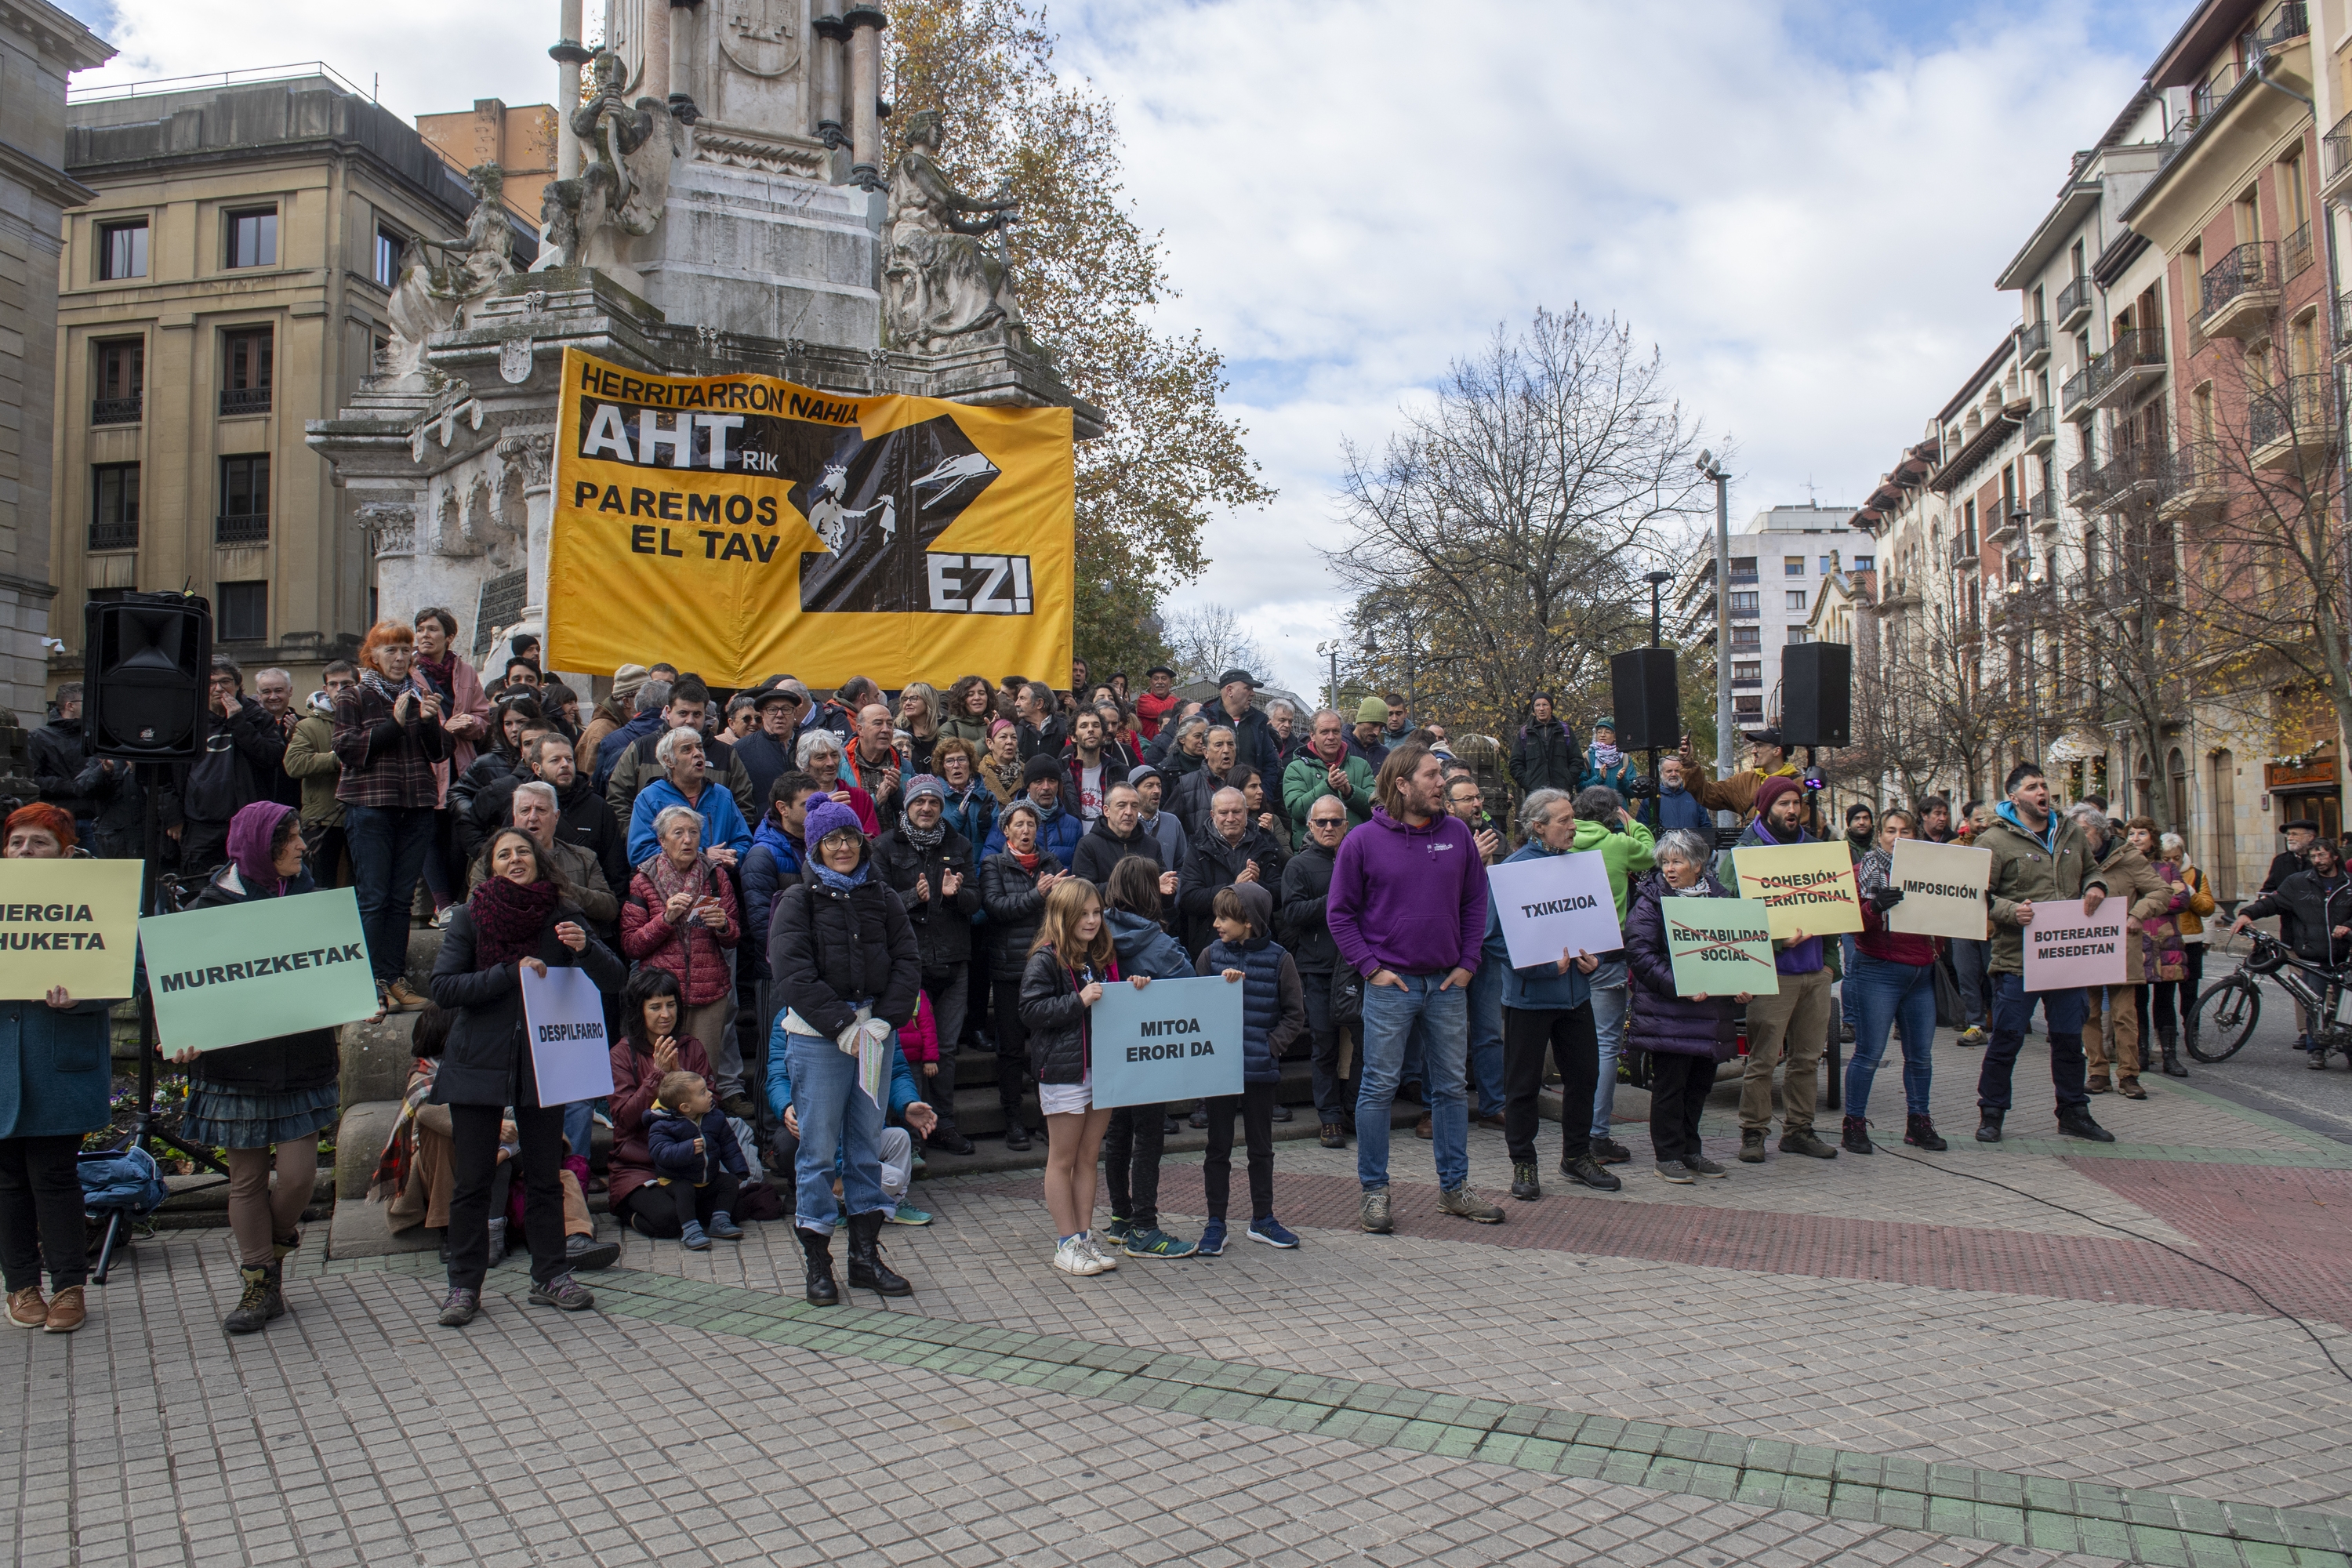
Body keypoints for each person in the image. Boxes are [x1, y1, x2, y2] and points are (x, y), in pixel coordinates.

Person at [429, 827, 627, 1326]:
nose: (516, 859)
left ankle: (551, 1275)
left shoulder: (561, 913)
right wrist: (507, 974)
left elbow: (615, 979)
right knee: (473, 1180)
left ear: (540, 861)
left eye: (524, 852)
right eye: (504, 854)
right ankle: (464, 1286)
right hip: (480, 1062)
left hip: (546, 1063)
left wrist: (586, 949)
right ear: (490, 866)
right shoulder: (473, 914)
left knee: (545, 1175)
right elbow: (444, 987)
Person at [1329, 741, 1501, 1231]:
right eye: (1431, 776)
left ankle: (1455, 1189)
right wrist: (1370, 968)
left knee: (1450, 1089)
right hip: (1391, 986)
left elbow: (1474, 903)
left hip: (1448, 984)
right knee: (1377, 1089)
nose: (1441, 783)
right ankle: (1375, 1192)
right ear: (1401, 784)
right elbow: (1340, 915)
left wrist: (1469, 962)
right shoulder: (1361, 840)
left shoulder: (1459, 836)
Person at [770, 798, 923, 1301]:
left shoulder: (883, 896)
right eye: (831, 840)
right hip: (819, 1041)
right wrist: (841, 1025)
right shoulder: (796, 901)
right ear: (815, 846)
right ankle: (818, 1261)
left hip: (874, 1036)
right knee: (816, 1154)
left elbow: (906, 960)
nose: (842, 847)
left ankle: (864, 1257)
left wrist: (883, 1019)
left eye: (850, 838)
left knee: (865, 1148)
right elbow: (794, 973)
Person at [0, 806, 114, 1333]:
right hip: (4, 1065)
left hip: (56, 1063)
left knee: (54, 1176)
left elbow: (127, 973)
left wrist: (81, 999)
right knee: (7, 1182)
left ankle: (69, 1286)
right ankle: (20, 1286)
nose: (26, 852)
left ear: (66, 853)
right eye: (17, 842)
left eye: (39, 843)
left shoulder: (97, 900)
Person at [1973, 763, 2116, 1145]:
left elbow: (2091, 870)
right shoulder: (1993, 841)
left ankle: (2073, 1112)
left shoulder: (2070, 831)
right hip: (2017, 959)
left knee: (2070, 1039)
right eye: (2033, 787)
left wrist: (2096, 886)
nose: (2042, 792)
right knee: (2007, 1038)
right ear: (2014, 797)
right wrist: (2009, 912)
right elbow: (1976, 896)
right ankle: (1992, 1112)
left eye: (2044, 786)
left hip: (2064, 959)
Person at [1488, 789, 1609, 1200]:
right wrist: (1539, 967)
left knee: (1584, 1078)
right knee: (1522, 1086)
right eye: (1564, 820)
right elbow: (1492, 939)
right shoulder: (1512, 871)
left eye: (1572, 818)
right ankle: (1523, 1163)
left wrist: (1598, 960)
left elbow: (1594, 929)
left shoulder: (1582, 867)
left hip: (1577, 996)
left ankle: (1576, 1156)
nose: (1573, 826)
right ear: (1537, 826)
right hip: (1529, 999)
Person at [334, 621, 456, 1014]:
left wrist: (428, 722)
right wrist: (394, 724)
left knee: (402, 899)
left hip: (416, 804)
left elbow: (439, 754)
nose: (401, 658)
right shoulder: (355, 695)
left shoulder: (421, 694)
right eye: (392, 650)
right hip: (370, 805)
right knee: (374, 897)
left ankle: (393, 977)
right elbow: (347, 750)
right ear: (374, 656)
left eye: (406, 650)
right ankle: (369, 983)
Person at [1719, 776, 1838, 1163]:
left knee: (1806, 1058)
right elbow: (1731, 920)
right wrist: (1774, 943)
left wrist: (1830, 966)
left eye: (1797, 803)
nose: (1792, 810)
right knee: (1764, 1060)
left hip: (1814, 972)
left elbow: (1835, 908)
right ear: (1766, 807)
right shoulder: (1743, 854)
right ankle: (1753, 1132)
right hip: (1771, 974)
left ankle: (1799, 1130)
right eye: (1783, 803)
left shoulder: (1818, 851)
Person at [1018, 877, 1126, 1275]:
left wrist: (1132, 989)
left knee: (1087, 1157)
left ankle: (1084, 1237)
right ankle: (1066, 1242)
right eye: (1083, 914)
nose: (1093, 920)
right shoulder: (1044, 959)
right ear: (1063, 915)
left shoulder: (1099, 956)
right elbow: (1030, 1011)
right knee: (1062, 1159)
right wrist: (1078, 1001)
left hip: (1104, 1068)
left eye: (1097, 912)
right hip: (1064, 1071)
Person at [1192, 883, 1305, 1254]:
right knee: (1217, 1148)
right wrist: (1218, 990)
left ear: (1249, 921)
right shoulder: (1210, 956)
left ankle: (1263, 1219)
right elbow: (1197, 1010)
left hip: (1259, 1069)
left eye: (1224, 917)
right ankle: (1215, 1223)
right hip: (1219, 1069)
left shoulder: (1280, 959)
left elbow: (1294, 1014)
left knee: (1261, 1147)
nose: (1216, 924)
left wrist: (1270, 1047)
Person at [1623, 827, 1740, 1182]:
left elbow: (1738, 946)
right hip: (1669, 1011)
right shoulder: (1651, 900)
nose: (1670, 869)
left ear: (1699, 864)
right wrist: (1681, 985)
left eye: (1678, 861)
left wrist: (1743, 984)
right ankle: (1668, 1155)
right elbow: (1639, 953)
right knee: (1670, 1086)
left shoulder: (1721, 899)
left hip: (1709, 1011)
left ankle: (1692, 1150)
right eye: (1665, 862)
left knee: (1699, 1085)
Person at [1098, 856, 1200, 1259]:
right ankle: (1145, 1227)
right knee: (1149, 1136)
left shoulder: (1098, 930)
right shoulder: (1154, 940)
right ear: (1146, 891)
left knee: (1118, 1131)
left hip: (1111, 1049)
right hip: (1149, 1055)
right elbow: (1189, 982)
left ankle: (1121, 1218)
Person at [875, 775, 982, 1155]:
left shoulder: (959, 844)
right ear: (906, 806)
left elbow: (976, 901)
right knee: (907, 1049)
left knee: (947, 1050)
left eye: (933, 802)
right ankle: (909, 1127)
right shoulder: (885, 846)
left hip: (953, 959)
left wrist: (955, 896)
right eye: (918, 801)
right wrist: (911, 897)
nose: (926, 808)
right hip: (908, 965)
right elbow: (877, 902)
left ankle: (944, 1124)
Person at [621, 804, 747, 1115]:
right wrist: (665, 919)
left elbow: (734, 935)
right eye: (678, 833)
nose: (688, 840)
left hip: (709, 995)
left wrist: (723, 925)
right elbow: (631, 944)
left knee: (701, 1083)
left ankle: (703, 1146)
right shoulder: (643, 880)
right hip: (661, 998)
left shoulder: (715, 876)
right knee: (661, 1080)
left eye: (693, 833)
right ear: (662, 841)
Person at [1844, 809, 1947, 1153]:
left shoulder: (1931, 872)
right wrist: (1874, 909)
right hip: (1878, 970)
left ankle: (1919, 1122)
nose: (1898, 836)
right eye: (1891, 830)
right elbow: (1849, 923)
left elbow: (1947, 915)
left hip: (1921, 972)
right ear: (1880, 835)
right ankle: (1854, 1124)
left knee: (1921, 1057)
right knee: (1869, 1053)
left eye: (1905, 830)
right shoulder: (1864, 872)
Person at [1567, 785, 1654, 1163]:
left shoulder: (1563, 841)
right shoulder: (1618, 845)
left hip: (1566, 954)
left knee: (1572, 1047)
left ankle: (1576, 1132)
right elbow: (1651, 856)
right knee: (1604, 1046)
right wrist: (1633, 824)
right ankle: (1596, 1136)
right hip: (1606, 953)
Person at [606, 967, 720, 1237]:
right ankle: (626, 1210)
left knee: (721, 1208)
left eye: (671, 1005)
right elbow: (624, 1119)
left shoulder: (691, 1047)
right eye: (655, 1007)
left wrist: (680, 1078)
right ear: (639, 1011)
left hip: (685, 1161)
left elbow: (714, 1107)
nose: (666, 1015)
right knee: (670, 1220)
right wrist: (658, 1076)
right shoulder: (621, 1055)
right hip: (638, 1164)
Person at [2072, 805, 2172, 1100]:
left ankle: (2129, 1074)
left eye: (2085, 830)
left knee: (2124, 1015)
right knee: (2087, 1013)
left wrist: (2138, 913)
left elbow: (2162, 892)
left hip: (2119, 947)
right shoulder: (2070, 859)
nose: (2080, 836)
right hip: (2084, 946)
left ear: (2100, 830)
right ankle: (2098, 1072)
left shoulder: (2128, 857)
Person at [981, 800, 1065, 1150]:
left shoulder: (1051, 863)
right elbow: (997, 908)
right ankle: (1013, 1118)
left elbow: (1064, 908)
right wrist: (1038, 894)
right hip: (1009, 970)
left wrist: (1060, 894)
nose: (1027, 830)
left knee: (1047, 1048)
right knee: (1012, 1049)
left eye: (1031, 823)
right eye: (1019, 824)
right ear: (1007, 830)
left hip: (1048, 969)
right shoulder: (993, 865)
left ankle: (1051, 1118)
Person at [2231, 837, 2352, 1067]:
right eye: (2313, 856)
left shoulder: (2349, 884)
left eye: (2322, 855)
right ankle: (2316, 1050)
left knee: (2347, 1009)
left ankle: (2348, 1049)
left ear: (2335, 856)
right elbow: (2272, 903)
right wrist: (2247, 914)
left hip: (2343, 957)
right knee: (2313, 1004)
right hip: (2312, 955)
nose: (2317, 860)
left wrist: (2349, 926)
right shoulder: (2298, 883)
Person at [171, 656, 289, 878]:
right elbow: (166, 775)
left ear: (237, 685)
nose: (219, 688)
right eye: (211, 682)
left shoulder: (257, 717)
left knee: (247, 884)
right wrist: (173, 818)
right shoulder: (187, 721)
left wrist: (237, 721)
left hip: (244, 822)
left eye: (225, 682)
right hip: (199, 825)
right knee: (198, 888)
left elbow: (272, 757)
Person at [1281, 793, 1355, 1147]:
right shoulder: (1298, 866)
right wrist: (1334, 898)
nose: (1329, 827)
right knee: (1324, 1044)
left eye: (1335, 821)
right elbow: (1291, 913)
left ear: (1346, 825)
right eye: (1321, 822)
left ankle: (1355, 1110)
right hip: (1319, 969)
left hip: (1360, 967)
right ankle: (1329, 1118)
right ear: (1310, 826)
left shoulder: (1359, 859)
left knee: (1364, 1046)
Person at [1446, 775, 1508, 1133]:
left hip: (1486, 951)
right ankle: (1432, 1108)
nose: (1477, 804)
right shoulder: (1439, 838)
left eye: (1478, 797)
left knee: (1489, 1031)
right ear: (1450, 806)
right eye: (1468, 799)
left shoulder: (1492, 837)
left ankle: (1493, 1105)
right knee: (1443, 1034)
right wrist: (1473, 861)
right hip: (1448, 952)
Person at [640, 1071, 750, 1250]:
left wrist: (739, 1170)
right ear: (685, 1107)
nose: (710, 1095)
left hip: (707, 1179)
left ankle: (720, 1221)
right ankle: (690, 1230)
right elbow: (660, 1153)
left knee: (729, 1182)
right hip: (675, 1180)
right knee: (684, 1190)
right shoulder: (662, 1125)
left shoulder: (715, 1117)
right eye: (702, 1092)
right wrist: (687, 1149)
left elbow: (729, 1144)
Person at [1178, 786, 1287, 960]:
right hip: (1211, 948)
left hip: (1259, 948)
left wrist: (1257, 886)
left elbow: (1280, 897)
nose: (1230, 818)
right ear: (1213, 815)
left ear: (1246, 812)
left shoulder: (1266, 842)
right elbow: (1189, 899)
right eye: (1223, 813)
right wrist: (1235, 889)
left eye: (1236, 812)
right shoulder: (1197, 847)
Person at [626, 725, 753, 869]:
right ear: (669, 761)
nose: (698, 753)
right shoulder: (649, 798)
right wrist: (701, 855)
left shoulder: (722, 795)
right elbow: (639, 853)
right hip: (668, 888)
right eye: (687, 749)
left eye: (699, 747)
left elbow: (744, 841)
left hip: (718, 884)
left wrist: (730, 857)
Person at [283, 662, 358, 885]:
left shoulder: (369, 720)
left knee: (360, 888)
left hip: (365, 816)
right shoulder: (308, 726)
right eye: (333, 684)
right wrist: (337, 758)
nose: (340, 689)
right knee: (322, 885)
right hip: (323, 819)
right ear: (325, 690)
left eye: (347, 683)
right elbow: (294, 764)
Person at [2147, 830, 2214, 1071]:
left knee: (2190, 992)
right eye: (2168, 858)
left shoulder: (2196, 875)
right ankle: (2158, 1041)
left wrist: (2189, 890)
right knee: (2163, 994)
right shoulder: (2154, 871)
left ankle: (2191, 1032)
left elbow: (2207, 907)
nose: (2172, 862)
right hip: (2164, 940)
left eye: (2176, 857)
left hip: (2190, 939)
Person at [1285, 709, 1376, 849]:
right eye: (1324, 732)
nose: (1331, 737)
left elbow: (1375, 808)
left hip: (1356, 849)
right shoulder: (1296, 768)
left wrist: (1350, 792)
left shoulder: (1361, 765)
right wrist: (1328, 786)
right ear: (1312, 736)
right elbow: (1296, 810)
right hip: (1312, 851)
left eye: (1336, 731)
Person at [1676, 727, 1801, 825]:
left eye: (1759, 746)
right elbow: (1707, 794)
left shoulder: (1800, 784)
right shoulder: (1745, 781)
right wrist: (1688, 763)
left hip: (1787, 853)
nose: (1753, 751)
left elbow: (1809, 826)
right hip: (1752, 853)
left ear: (1777, 751)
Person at [1069, 780, 1174, 892]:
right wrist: (1141, 888)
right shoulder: (1088, 845)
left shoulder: (1152, 845)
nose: (1129, 812)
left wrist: (1169, 891)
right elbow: (1085, 892)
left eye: (1134, 806)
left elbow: (1164, 896)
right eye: (1122, 805)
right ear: (1106, 811)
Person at [983, 754, 1084, 863]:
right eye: (1038, 781)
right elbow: (987, 866)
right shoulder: (1008, 821)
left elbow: (1081, 871)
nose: (1046, 787)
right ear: (1027, 787)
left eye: (1052, 780)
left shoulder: (1074, 826)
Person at [29, 682, 94, 840]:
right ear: (70, 706)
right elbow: (33, 780)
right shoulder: (38, 737)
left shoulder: (94, 737)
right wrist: (75, 786)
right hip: (57, 818)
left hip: (93, 819)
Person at [734, 678, 806, 809]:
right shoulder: (742, 750)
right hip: (761, 826)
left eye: (786, 709)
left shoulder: (808, 745)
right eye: (772, 709)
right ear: (762, 714)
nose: (779, 715)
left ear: (795, 712)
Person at [797, 728, 883, 837]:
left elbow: (873, 839)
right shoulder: (798, 800)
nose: (831, 763)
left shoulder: (859, 797)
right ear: (805, 765)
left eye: (834, 755)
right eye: (821, 757)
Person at [931, 737, 998, 853]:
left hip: (983, 867)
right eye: (949, 761)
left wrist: (985, 824)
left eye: (962, 759)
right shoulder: (935, 799)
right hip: (949, 867)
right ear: (942, 766)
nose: (956, 765)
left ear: (970, 763)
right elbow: (934, 839)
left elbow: (998, 840)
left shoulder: (988, 798)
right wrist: (958, 817)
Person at [847, 702, 906, 832]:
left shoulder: (904, 764)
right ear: (860, 729)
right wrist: (876, 802)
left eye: (890, 724)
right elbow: (840, 815)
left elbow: (914, 814)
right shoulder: (842, 763)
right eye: (878, 723)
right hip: (857, 845)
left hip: (895, 847)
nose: (885, 729)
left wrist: (897, 793)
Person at [579, 663, 649, 767]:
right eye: (643, 697)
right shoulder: (599, 733)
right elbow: (590, 779)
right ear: (626, 702)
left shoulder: (630, 723)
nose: (649, 702)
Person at [1510, 694, 1577, 797]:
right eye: (1537, 705)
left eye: (1545, 704)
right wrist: (1528, 782)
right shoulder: (1525, 733)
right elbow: (1515, 764)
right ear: (1533, 710)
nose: (1541, 709)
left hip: (1561, 793)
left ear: (1551, 708)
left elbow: (1577, 760)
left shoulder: (1565, 731)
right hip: (1535, 794)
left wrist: (1568, 779)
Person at [1127, 764, 1189, 868]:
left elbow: (1182, 865)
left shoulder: (1173, 822)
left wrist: (1175, 884)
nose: (1156, 791)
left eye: (1159, 786)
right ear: (1134, 791)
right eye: (1149, 786)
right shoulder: (1126, 822)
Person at [1649, 753, 1711, 835]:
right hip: (1663, 847)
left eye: (1677, 770)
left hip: (1691, 846)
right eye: (1669, 771)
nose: (1674, 774)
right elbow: (1643, 829)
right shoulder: (1651, 799)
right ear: (1661, 774)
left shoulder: (1693, 795)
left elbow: (1706, 826)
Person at [1577, 717, 1639, 797]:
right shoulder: (1587, 757)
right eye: (1599, 732)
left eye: (1607, 732)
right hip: (1595, 808)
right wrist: (1599, 778)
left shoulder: (1625, 758)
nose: (1602, 735)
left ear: (1615, 736)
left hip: (1618, 809)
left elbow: (1633, 793)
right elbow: (1580, 788)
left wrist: (1622, 780)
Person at [1014, 679, 1069, 761]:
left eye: (1022, 698)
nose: (1016, 703)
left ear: (1039, 703)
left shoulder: (1065, 729)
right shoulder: (1016, 732)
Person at [2263, 818, 2320, 895]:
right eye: (2288, 834)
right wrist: (2264, 897)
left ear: (2310, 837)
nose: (2289, 838)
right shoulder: (2280, 861)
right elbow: (2269, 889)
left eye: (2295, 834)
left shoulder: (2322, 860)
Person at [896, 682, 943, 775]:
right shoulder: (898, 733)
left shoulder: (945, 729)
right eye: (905, 699)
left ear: (928, 701)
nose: (907, 703)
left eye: (913, 699)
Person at [942, 674, 998, 746]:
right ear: (961, 699)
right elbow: (952, 756)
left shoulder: (997, 724)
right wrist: (987, 737)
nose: (977, 698)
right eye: (971, 694)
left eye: (982, 693)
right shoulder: (950, 728)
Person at [1346, 695, 1392, 771]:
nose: (1377, 732)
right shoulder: (1340, 748)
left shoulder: (1384, 753)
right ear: (1360, 720)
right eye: (1373, 725)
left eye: (1381, 727)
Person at [1134, 665, 1179, 739]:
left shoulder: (1177, 701)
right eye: (1156, 679)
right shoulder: (1144, 700)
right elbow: (1161, 711)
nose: (1160, 682)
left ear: (1170, 682)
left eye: (1164, 678)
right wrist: (1172, 698)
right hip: (1150, 746)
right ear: (1151, 682)